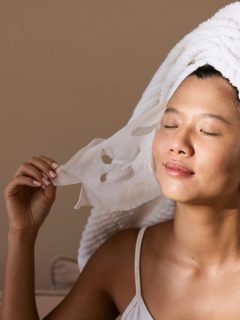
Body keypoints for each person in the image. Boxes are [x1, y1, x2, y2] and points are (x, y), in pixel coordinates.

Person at [2, 63, 240, 320]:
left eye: (208, 131)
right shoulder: (123, 260)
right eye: (170, 124)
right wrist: (22, 235)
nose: (178, 144)